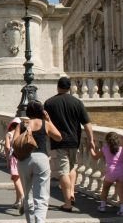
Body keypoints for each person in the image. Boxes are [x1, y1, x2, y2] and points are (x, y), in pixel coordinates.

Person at [44, 76, 95, 212]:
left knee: (62, 172)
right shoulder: (77, 103)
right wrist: (91, 140)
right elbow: (87, 124)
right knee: (72, 167)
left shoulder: (49, 103)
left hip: (58, 142)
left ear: (58, 87)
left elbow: (45, 124)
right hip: (74, 142)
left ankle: (67, 203)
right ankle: (71, 192)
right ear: (70, 88)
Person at [17, 101, 62, 223]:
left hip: (24, 160)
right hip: (41, 158)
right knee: (42, 195)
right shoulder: (45, 124)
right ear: (41, 111)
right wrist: (48, 120)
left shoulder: (22, 124)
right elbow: (58, 137)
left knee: (28, 194)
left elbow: (14, 143)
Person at [90, 132, 123, 216]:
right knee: (121, 191)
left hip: (110, 172)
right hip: (121, 171)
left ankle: (102, 206)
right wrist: (122, 165)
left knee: (105, 188)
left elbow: (95, 157)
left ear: (107, 141)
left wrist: (91, 149)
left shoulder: (105, 149)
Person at [5, 117, 24, 214]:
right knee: (20, 178)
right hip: (22, 157)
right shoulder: (22, 132)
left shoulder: (9, 134)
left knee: (15, 178)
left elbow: (7, 147)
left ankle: (23, 197)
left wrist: (7, 158)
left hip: (14, 157)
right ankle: (18, 201)